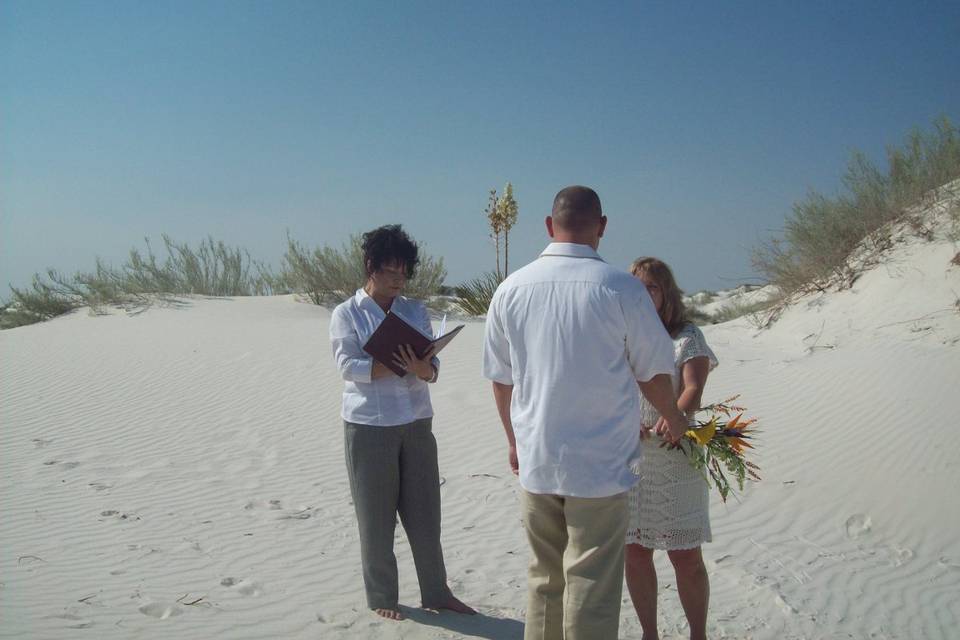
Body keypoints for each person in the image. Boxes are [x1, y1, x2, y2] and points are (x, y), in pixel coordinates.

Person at [482, 186, 690, 640]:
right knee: (592, 582)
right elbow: (653, 372)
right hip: (599, 464)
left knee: (544, 578)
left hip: (538, 458)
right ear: (602, 226)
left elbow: (501, 379)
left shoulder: (510, 289)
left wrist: (513, 441)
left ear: (548, 225)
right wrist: (673, 416)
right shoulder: (622, 289)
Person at [329, 224, 474, 621]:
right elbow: (347, 365)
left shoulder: (414, 310)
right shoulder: (348, 313)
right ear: (370, 267)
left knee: (426, 512)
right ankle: (383, 597)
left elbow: (433, 368)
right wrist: (391, 365)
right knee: (375, 517)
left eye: (404, 272)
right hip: (369, 426)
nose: (399, 280)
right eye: (391, 271)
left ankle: (437, 592)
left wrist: (423, 368)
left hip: (416, 421)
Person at [624, 257, 719, 640]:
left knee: (686, 556)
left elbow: (694, 387)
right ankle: (650, 633)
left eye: (651, 287)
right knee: (635, 551)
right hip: (632, 460)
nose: (644, 295)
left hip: (677, 457)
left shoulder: (686, 336)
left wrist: (675, 413)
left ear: (666, 292)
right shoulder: (624, 335)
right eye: (637, 288)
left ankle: (698, 634)